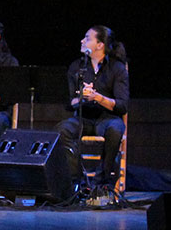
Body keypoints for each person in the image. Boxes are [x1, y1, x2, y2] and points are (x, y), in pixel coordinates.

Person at [55, 25, 129, 199]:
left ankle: (101, 182)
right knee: (62, 129)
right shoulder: (76, 67)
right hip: (83, 117)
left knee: (116, 129)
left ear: (99, 45)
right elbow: (68, 102)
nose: (82, 41)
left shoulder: (117, 68)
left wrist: (97, 97)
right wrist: (81, 98)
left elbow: (122, 105)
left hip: (107, 118)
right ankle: (78, 180)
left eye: (87, 38)